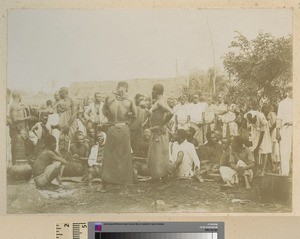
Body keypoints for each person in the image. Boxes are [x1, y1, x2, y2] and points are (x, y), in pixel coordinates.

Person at [100, 81, 137, 192]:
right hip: (123, 127)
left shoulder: (109, 97)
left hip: (112, 127)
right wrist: (126, 121)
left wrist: (112, 119)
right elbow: (135, 115)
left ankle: (104, 185)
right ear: (126, 89)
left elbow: (103, 112)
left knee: (109, 156)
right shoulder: (130, 99)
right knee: (124, 156)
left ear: (117, 87)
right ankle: (124, 185)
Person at [147, 83, 174, 184]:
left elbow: (171, 112)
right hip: (157, 132)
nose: (151, 93)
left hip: (159, 133)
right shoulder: (159, 102)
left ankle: (161, 178)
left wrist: (162, 124)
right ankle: (160, 178)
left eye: (152, 90)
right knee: (158, 156)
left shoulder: (160, 102)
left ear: (155, 91)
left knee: (158, 156)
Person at [9, 90, 33, 165]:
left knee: (21, 151)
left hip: (21, 131)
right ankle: (16, 168)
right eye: (21, 96)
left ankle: (20, 168)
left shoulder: (16, 105)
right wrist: (27, 118)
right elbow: (15, 119)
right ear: (18, 96)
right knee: (17, 150)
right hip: (17, 131)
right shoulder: (13, 105)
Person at [245, 110, 272, 176]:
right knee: (255, 150)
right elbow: (248, 126)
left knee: (263, 149)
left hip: (264, 132)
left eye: (253, 121)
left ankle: (262, 170)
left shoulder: (261, 118)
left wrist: (258, 145)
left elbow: (262, 134)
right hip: (255, 131)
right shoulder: (246, 116)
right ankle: (256, 169)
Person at [276, 85, 293, 176]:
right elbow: (279, 118)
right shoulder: (282, 103)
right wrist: (278, 131)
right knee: (285, 152)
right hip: (286, 128)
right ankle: (285, 174)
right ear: (288, 91)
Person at [57, 87, 77, 157]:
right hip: (63, 127)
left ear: (63, 93)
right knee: (62, 143)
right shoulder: (62, 102)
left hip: (70, 126)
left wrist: (68, 125)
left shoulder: (72, 100)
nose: (59, 94)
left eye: (60, 92)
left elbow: (74, 114)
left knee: (69, 142)